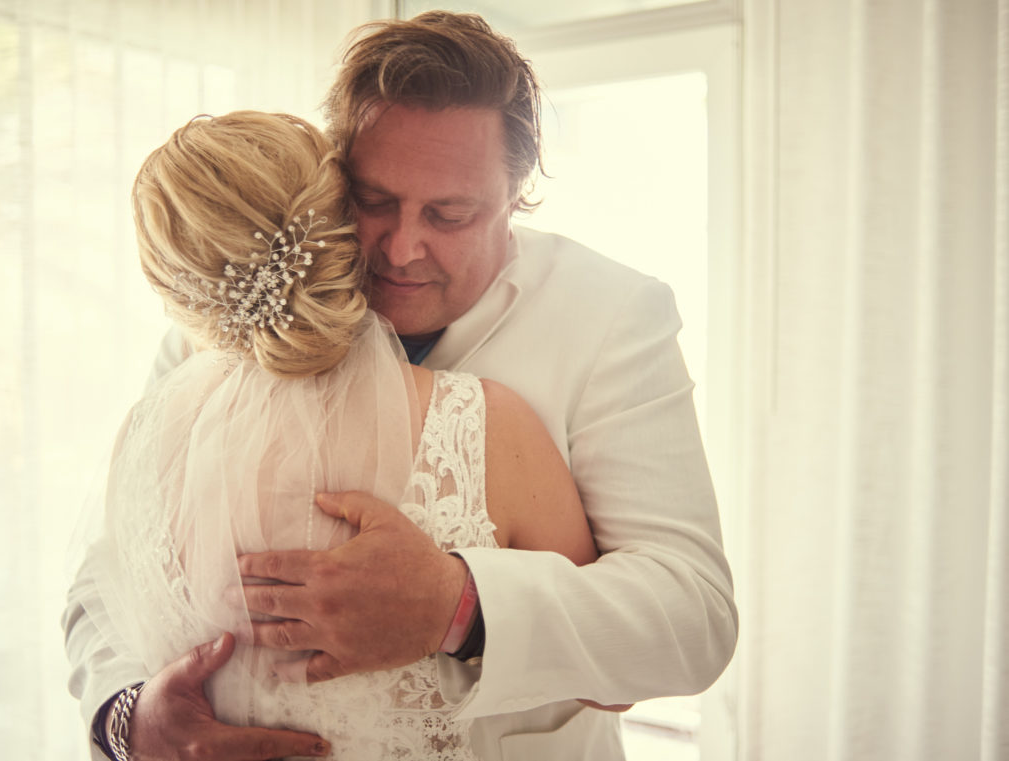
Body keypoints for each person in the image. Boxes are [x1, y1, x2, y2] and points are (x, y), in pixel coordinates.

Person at [63, 11, 738, 761]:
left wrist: (459, 606)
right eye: (374, 199)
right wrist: (127, 718)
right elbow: (107, 571)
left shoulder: (613, 316)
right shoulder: (232, 319)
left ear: (518, 193)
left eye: (450, 213)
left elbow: (692, 621)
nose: (399, 246)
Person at [70, 108, 598, 760]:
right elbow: (604, 669)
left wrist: (453, 603)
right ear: (345, 224)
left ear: (172, 287)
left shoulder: (142, 438)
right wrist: (127, 716)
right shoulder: (488, 428)